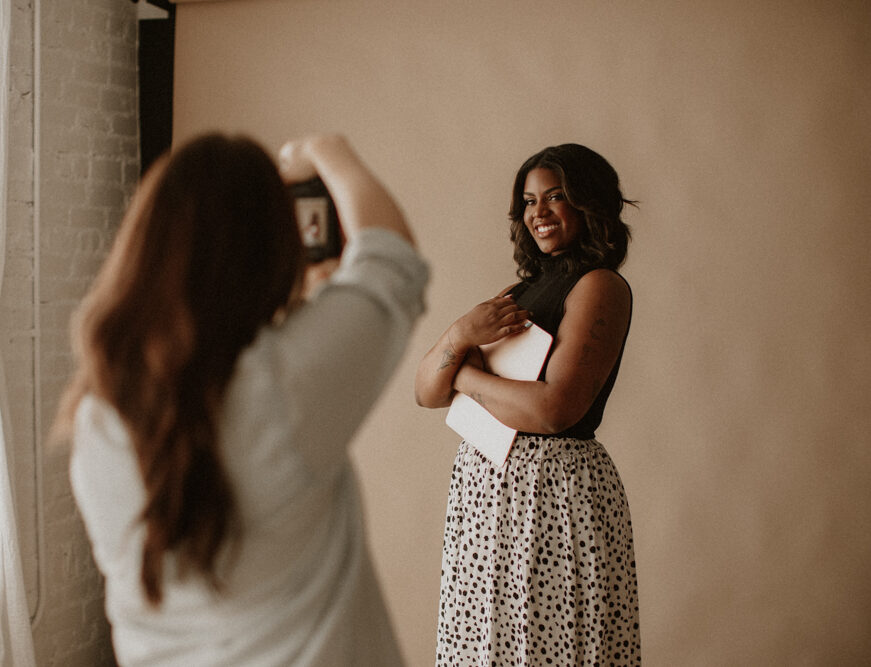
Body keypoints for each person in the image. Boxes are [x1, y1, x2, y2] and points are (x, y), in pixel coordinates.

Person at [52, 133, 428, 666]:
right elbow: (393, 260)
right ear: (272, 251)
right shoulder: (285, 387)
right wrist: (326, 149)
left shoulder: (97, 415)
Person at [415, 143, 640, 665]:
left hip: (551, 494)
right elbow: (426, 390)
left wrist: (465, 376)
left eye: (555, 197)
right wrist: (459, 331)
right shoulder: (521, 291)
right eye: (529, 201)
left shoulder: (599, 286)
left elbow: (552, 410)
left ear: (590, 205)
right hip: (489, 495)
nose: (538, 212)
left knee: (550, 648)